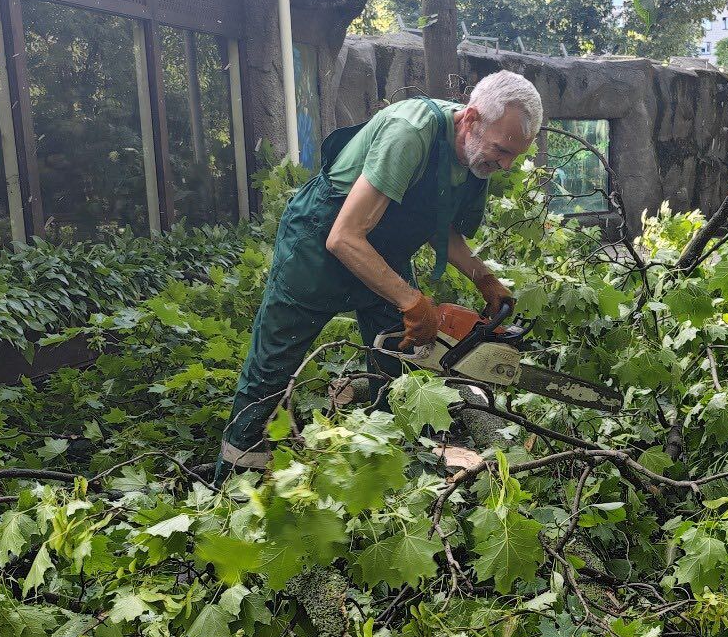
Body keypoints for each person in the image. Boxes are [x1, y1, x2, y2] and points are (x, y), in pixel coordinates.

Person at [216, 70, 544, 479]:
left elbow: (438, 221)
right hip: (320, 240)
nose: (506, 163)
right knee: (272, 366)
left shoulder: (475, 159)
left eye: (515, 155)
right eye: (501, 149)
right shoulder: (410, 133)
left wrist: (483, 278)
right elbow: (344, 237)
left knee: (401, 359)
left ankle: (392, 471)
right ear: (471, 118)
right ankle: (232, 482)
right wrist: (411, 300)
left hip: (384, 251)